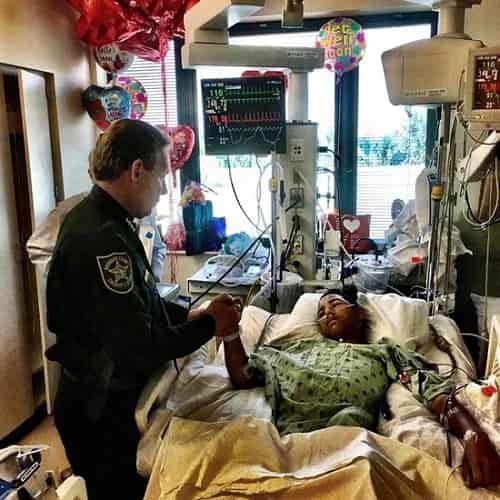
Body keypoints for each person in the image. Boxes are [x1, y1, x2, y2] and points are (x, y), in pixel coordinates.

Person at [46, 119, 241, 500]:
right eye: (162, 177)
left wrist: (188, 314)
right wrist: (209, 327)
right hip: (98, 414)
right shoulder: (103, 240)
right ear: (136, 171)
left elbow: (143, 302)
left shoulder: (106, 221)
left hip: (100, 399)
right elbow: (139, 347)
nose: (165, 189)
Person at [222, 287, 500, 490]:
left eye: (335, 304)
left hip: (345, 449)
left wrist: (472, 435)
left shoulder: (384, 354)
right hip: (284, 449)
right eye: (320, 312)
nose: (327, 312)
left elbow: (431, 390)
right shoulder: (297, 348)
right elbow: (243, 376)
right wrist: (231, 331)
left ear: (361, 313)